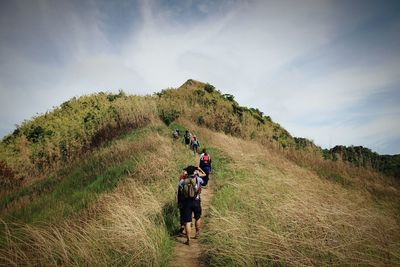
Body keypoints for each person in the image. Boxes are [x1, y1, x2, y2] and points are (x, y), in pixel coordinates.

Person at [178, 167, 206, 245]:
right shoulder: (198, 179)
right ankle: (197, 234)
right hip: (196, 201)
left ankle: (188, 240)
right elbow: (204, 182)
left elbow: (180, 191)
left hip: (186, 203)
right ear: (194, 172)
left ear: (187, 172)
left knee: (187, 221)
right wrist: (199, 170)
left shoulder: (183, 181)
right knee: (197, 217)